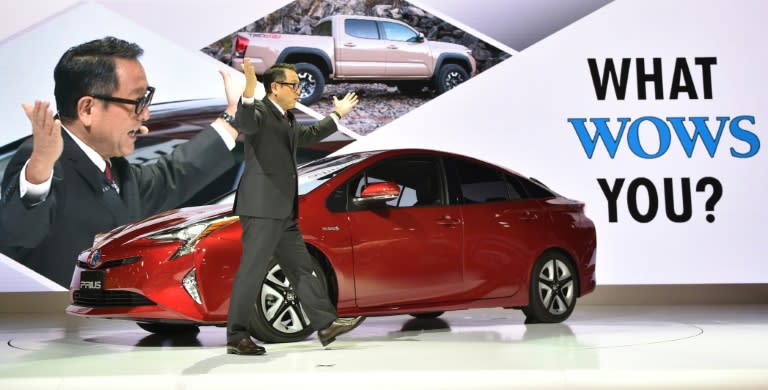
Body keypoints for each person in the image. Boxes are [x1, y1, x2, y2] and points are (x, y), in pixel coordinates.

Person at [0, 36, 242, 287]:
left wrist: (233, 117)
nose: (145, 114)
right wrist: (39, 172)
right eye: (138, 101)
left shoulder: (118, 172)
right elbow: (15, 236)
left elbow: (177, 172)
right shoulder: (43, 162)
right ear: (87, 109)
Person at [226, 59, 363, 355]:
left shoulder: (285, 118)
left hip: (284, 210)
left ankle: (325, 324)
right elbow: (245, 122)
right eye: (293, 85)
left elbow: (309, 135)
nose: (298, 90)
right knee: (252, 271)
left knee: (301, 269)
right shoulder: (260, 111)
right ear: (275, 88)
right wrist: (249, 89)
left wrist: (336, 115)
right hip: (262, 207)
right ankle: (237, 336)